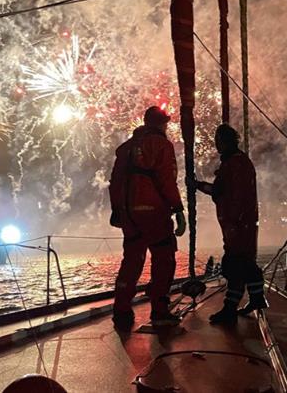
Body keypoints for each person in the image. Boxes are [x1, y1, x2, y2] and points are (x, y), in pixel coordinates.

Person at [109, 106, 187, 330]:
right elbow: (166, 179)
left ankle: (121, 311)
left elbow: (114, 183)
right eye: (165, 122)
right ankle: (160, 311)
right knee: (164, 258)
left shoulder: (125, 149)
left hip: (129, 214)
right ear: (159, 124)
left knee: (131, 261)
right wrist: (178, 209)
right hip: (154, 212)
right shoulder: (161, 145)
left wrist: (118, 211)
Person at [192, 124, 266, 324]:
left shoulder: (234, 164)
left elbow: (221, 192)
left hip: (237, 224)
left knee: (234, 264)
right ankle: (257, 299)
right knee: (246, 262)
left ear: (225, 141)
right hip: (243, 223)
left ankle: (230, 308)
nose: (216, 144)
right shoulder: (241, 162)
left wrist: (197, 185)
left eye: (219, 140)